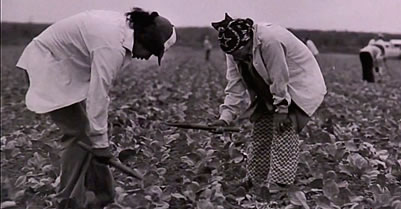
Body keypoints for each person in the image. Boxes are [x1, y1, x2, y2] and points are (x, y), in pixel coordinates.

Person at [16, 7, 176, 208]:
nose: (146, 57)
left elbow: (98, 98)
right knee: (79, 135)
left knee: (91, 134)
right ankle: (66, 201)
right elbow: (98, 95)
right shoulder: (111, 45)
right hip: (47, 66)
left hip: (66, 68)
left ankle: (103, 196)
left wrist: (101, 143)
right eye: (151, 52)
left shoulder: (121, 30)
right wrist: (101, 145)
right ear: (147, 40)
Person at [210, 13, 326, 208]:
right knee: (261, 133)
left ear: (248, 42)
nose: (238, 58)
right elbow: (234, 84)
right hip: (267, 85)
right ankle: (256, 181)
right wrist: (225, 118)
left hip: (296, 85)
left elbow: (279, 78)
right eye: (234, 56)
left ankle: (279, 187)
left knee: (284, 133)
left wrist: (282, 110)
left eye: (241, 53)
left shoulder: (270, 41)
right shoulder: (233, 48)